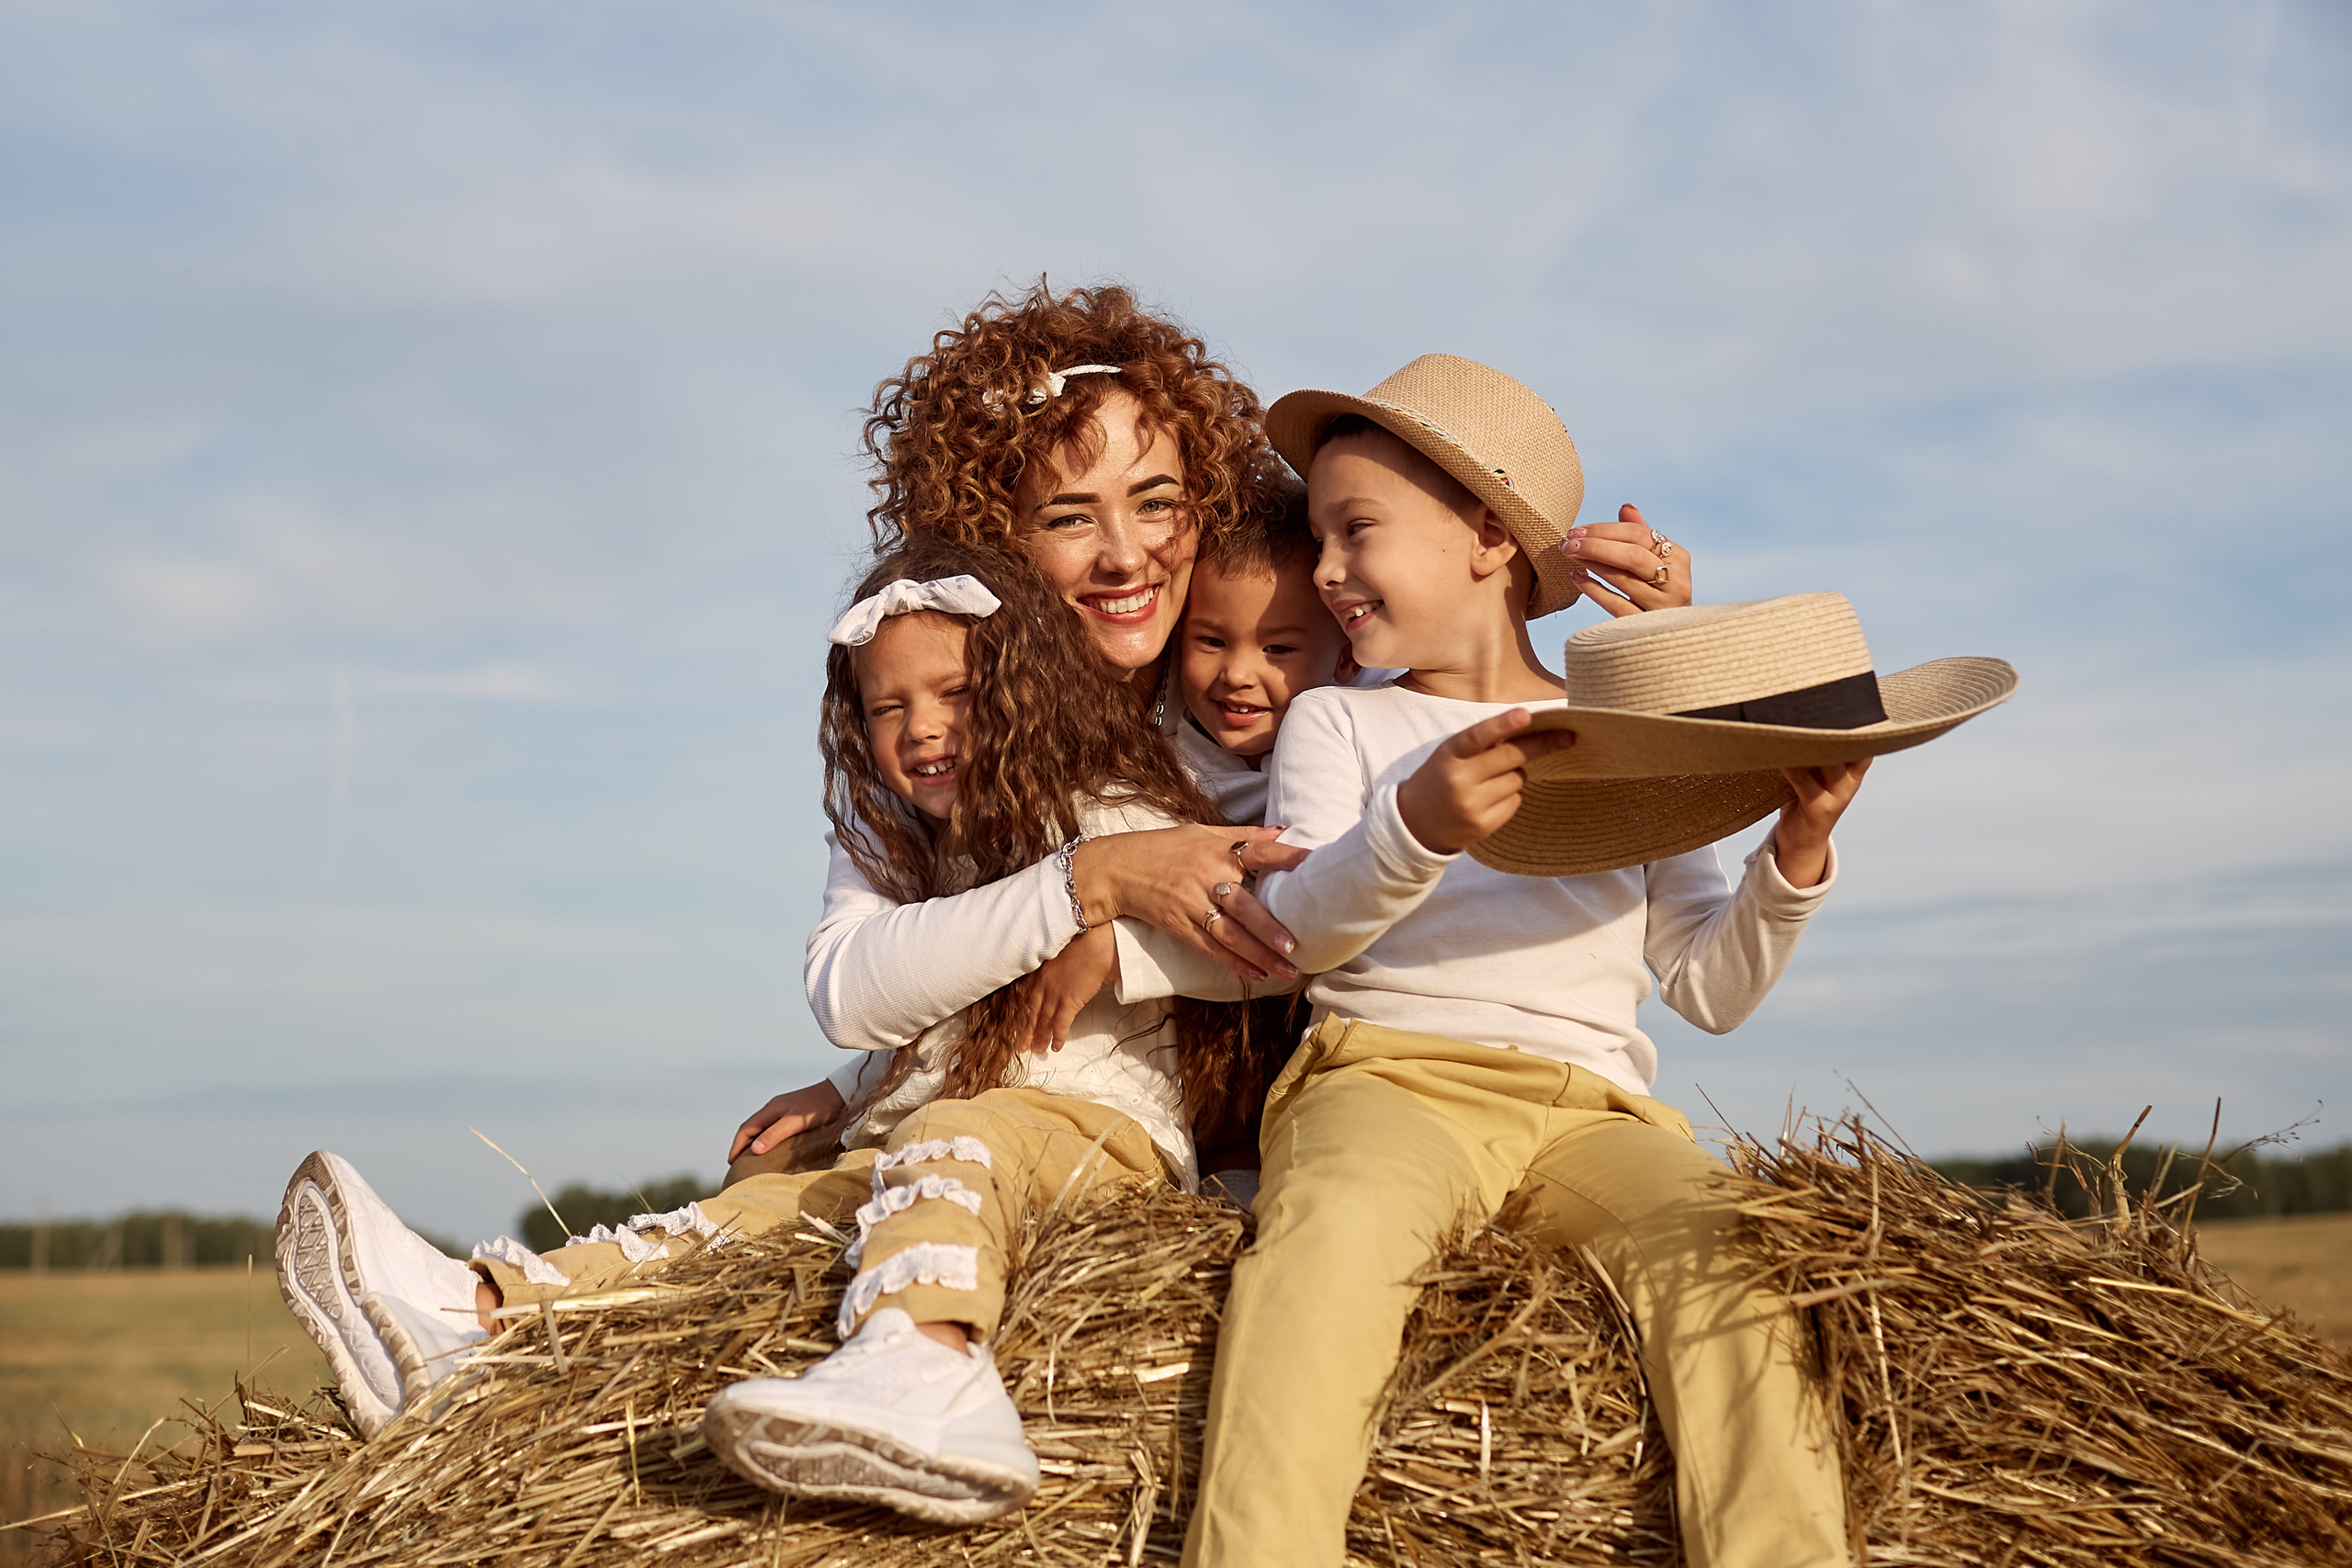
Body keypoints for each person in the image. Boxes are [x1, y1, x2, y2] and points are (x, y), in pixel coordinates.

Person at [1180, 354, 1925, 1568]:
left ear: (1484, 534)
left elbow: (1710, 990)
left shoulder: (1627, 741)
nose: (1325, 572)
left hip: (1593, 1111)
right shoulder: (1346, 721)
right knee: (1319, 1271)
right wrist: (1415, 824)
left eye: (1354, 530)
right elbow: (1297, 932)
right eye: (1317, 537)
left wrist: (1794, 850)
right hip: (1388, 1079)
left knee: (1730, 1278)